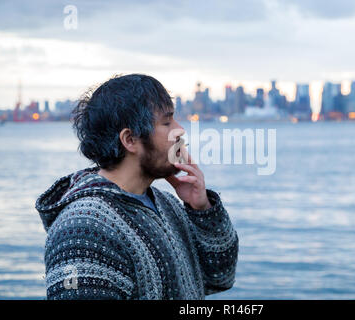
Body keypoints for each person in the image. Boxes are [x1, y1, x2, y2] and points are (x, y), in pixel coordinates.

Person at [35, 74, 239, 300]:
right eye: (167, 121)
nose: (180, 130)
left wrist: (202, 209)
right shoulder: (82, 228)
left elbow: (220, 277)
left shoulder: (166, 204)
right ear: (130, 139)